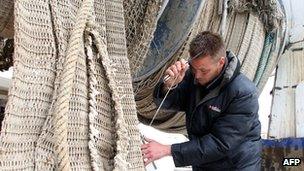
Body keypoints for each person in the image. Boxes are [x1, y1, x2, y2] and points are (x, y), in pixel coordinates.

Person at [141, 31, 262, 171]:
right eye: (194, 68)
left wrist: (167, 150)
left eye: (204, 71)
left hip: (237, 166)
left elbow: (220, 143)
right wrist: (169, 85)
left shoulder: (244, 93)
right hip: (203, 163)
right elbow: (170, 102)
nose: (197, 75)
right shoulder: (194, 75)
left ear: (221, 62)